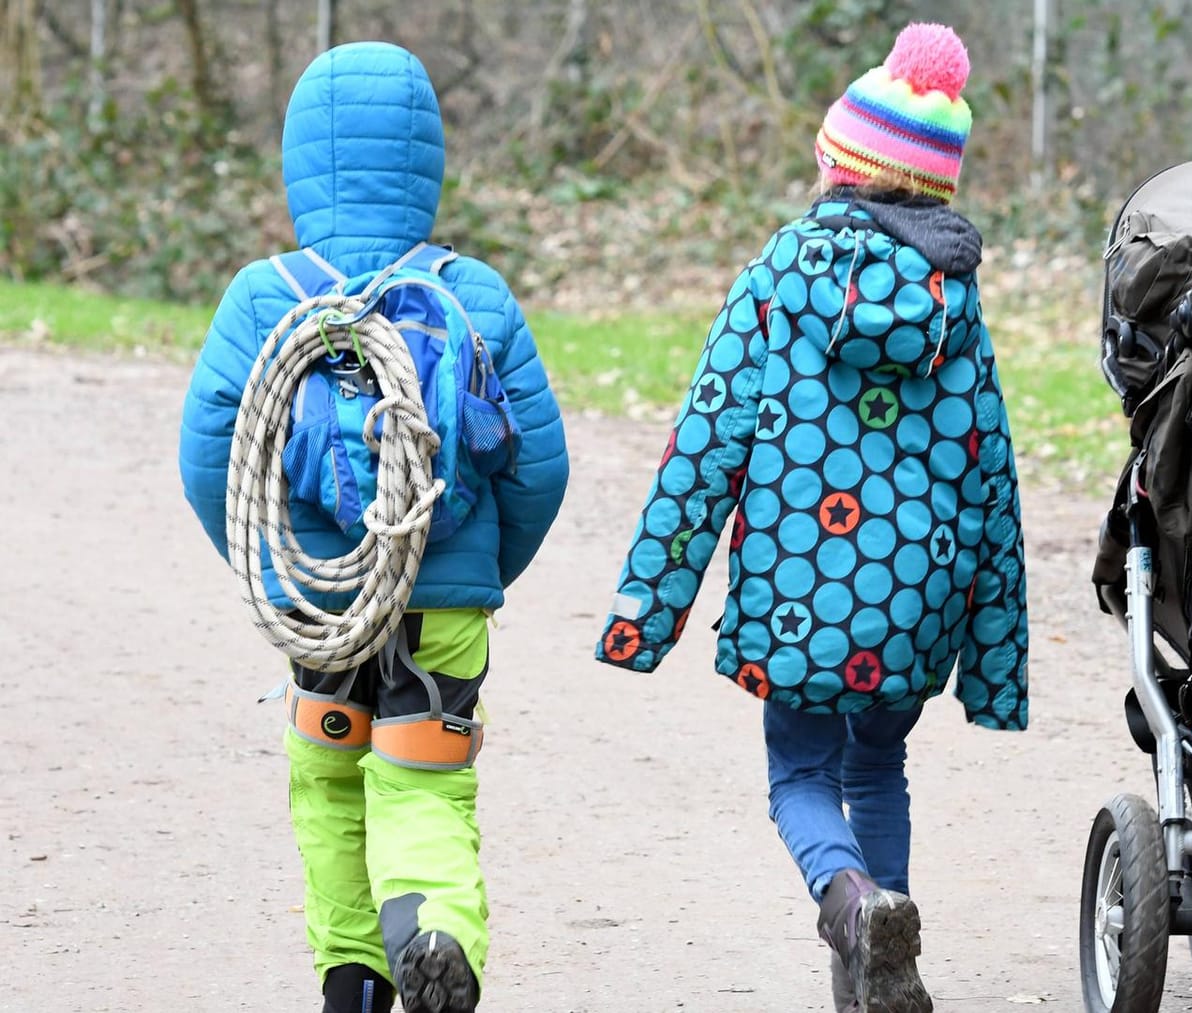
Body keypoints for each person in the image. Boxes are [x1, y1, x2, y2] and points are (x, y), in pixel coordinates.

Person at [596, 23, 1027, 1013]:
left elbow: (703, 450)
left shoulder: (775, 280)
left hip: (800, 599)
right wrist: (995, 665)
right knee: (879, 762)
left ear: (844, 168)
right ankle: (882, 961)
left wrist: (645, 612)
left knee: (799, 771)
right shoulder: (956, 306)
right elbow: (993, 480)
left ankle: (848, 895)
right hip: (916, 601)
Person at [178, 42, 569, 1013]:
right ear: (429, 160)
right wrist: (476, 571)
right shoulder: (473, 294)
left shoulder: (263, 296)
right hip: (443, 618)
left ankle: (351, 983)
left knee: (329, 791)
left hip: (321, 607)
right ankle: (433, 929)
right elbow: (541, 468)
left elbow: (206, 456)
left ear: (297, 159)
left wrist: (275, 570)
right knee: (423, 790)